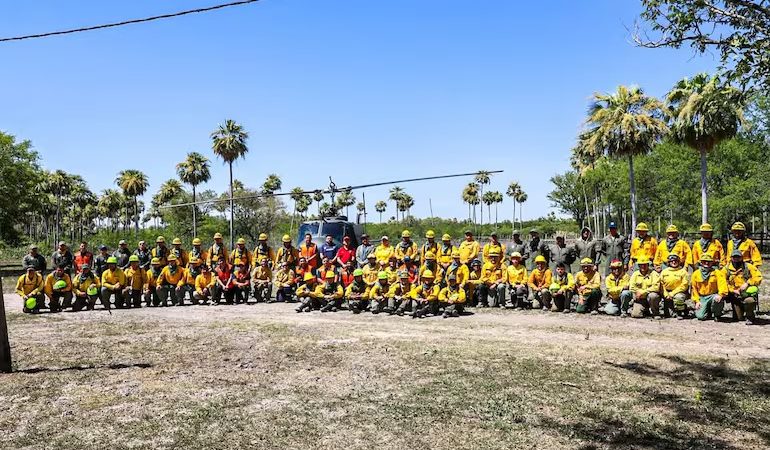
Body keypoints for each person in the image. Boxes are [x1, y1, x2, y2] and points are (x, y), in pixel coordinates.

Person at [724, 250, 762, 325]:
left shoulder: (748, 266)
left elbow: (758, 277)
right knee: (739, 318)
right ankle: (740, 312)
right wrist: (732, 290)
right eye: (734, 257)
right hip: (735, 295)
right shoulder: (726, 268)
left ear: (742, 258)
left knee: (749, 301)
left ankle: (750, 316)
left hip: (747, 294)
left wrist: (747, 283)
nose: (736, 259)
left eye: (738, 257)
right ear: (731, 258)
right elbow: (722, 282)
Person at [692, 254, 729, 321]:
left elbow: (722, 285)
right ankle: (707, 311)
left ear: (712, 262)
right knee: (700, 317)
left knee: (717, 299)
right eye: (704, 261)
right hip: (702, 297)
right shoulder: (695, 274)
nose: (706, 263)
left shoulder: (717, 273)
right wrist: (697, 301)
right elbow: (694, 289)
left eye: (709, 261)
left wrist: (721, 295)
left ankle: (717, 315)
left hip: (713, 295)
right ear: (701, 262)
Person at [660, 254, 690, 319]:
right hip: (667, 293)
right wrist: (666, 294)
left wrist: (672, 293)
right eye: (672, 261)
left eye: (676, 261)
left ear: (679, 262)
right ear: (669, 262)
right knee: (669, 315)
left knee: (678, 298)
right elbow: (661, 284)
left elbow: (684, 285)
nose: (674, 262)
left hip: (679, 292)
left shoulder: (683, 272)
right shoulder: (664, 271)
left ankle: (681, 312)